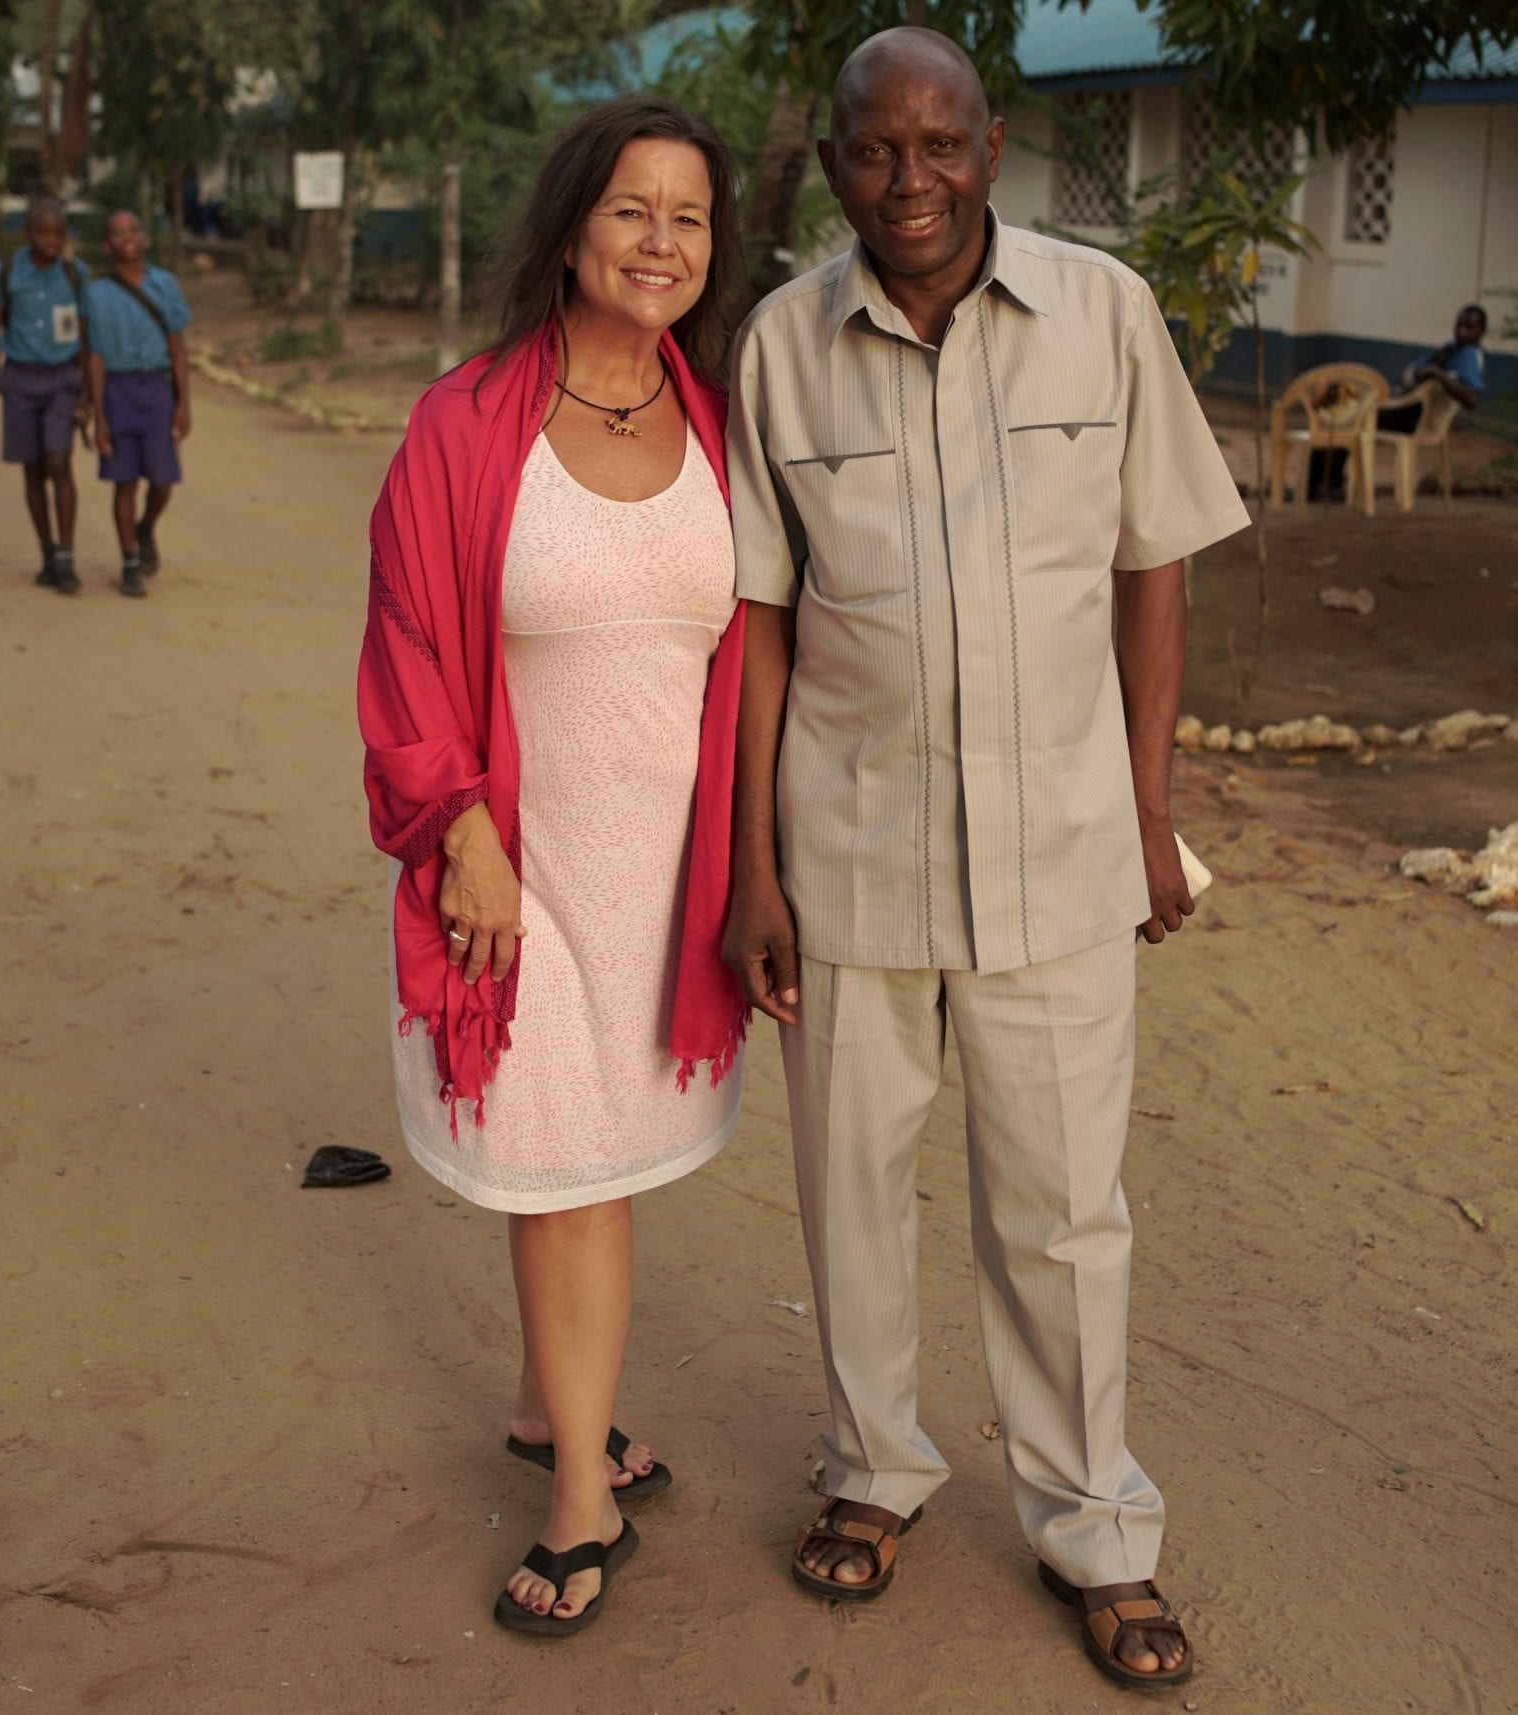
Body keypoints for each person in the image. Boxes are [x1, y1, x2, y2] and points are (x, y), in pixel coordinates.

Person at [722, 28, 1248, 1692]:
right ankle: (870, 1472)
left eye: (938, 145)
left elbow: (1149, 563)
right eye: (874, 152)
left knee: (1061, 1214)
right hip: (851, 854)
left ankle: (1093, 1524)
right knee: (848, 1200)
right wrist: (752, 869)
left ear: (991, 147)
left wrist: (1150, 812)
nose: (909, 181)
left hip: (1060, 856)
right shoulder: (779, 347)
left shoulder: (1102, 315)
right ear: (830, 171)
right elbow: (756, 618)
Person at [357, 96, 749, 1638]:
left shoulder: (720, 418)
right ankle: (584, 1498)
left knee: (598, 1165)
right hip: (523, 866)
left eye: (692, 218)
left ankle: (548, 1405)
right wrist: (462, 832)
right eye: (633, 211)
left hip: (674, 874)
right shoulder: (466, 426)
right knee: (569, 1177)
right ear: (573, 226)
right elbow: (404, 646)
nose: (663, 243)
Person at [0, 197, 90, 593]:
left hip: (63, 381)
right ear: (28, 234)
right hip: (21, 381)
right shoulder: (8, 274)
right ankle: (46, 551)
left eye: (58, 232)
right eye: (42, 232)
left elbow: (89, 340)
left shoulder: (76, 275)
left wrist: (87, 397)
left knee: (59, 462)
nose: (51, 240)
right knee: (32, 469)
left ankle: (66, 556)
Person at [84, 209, 192, 599]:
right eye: (117, 232)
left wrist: (183, 404)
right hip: (118, 390)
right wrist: (99, 416)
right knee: (123, 479)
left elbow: (178, 348)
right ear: (107, 244)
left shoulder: (165, 285)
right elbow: (94, 357)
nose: (127, 237)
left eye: (134, 229)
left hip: (158, 389)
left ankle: (145, 527)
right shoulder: (96, 295)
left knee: (163, 481)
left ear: (144, 237)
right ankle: (129, 559)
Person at [1308, 304, 1487, 500]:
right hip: (1405, 409)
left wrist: (1438, 375)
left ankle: (1328, 486)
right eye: (1459, 325)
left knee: (1350, 417)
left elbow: (1472, 399)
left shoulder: (1469, 356)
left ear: (1481, 331)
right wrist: (1425, 372)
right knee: (1340, 413)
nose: (1462, 332)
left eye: (1469, 328)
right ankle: (1318, 486)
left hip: (1413, 420)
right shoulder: (1451, 349)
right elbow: (1415, 370)